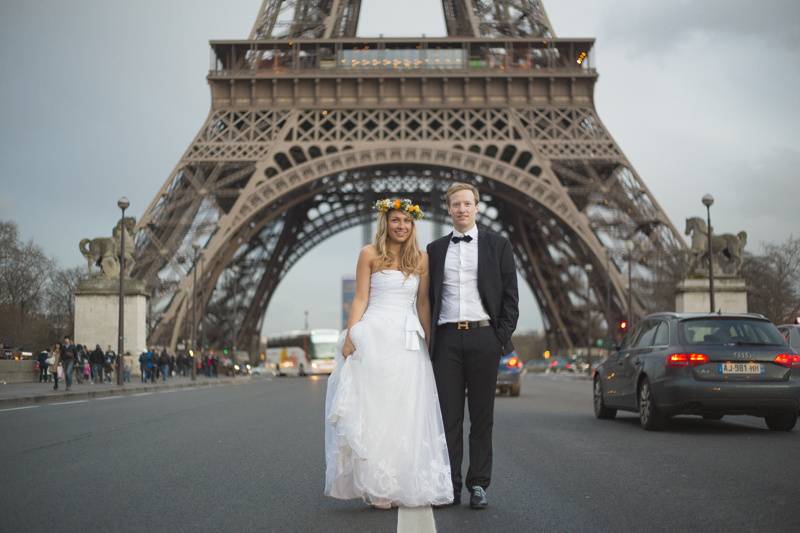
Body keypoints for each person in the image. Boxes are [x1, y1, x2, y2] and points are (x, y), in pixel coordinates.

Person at [324, 198, 452, 509]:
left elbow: (423, 304)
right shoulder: (368, 254)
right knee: (376, 411)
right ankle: (379, 482)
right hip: (375, 336)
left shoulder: (421, 259)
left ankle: (401, 478)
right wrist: (352, 334)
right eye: (395, 220)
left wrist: (431, 342)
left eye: (406, 222)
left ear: (413, 225)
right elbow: (360, 298)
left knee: (404, 412)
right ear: (386, 222)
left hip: (407, 341)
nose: (401, 226)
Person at [427, 182, 519, 509]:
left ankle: (478, 484)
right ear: (448, 209)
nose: (462, 209)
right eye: (456, 204)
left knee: (482, 417)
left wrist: (497, 339)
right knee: (448, 417)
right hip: (447, 339)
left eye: (467, 203)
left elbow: (511, 299)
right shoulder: (435, 250)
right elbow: (425, 298)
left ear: (476, 207)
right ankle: (449, 485)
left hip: (484, 337)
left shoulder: (499, 246)